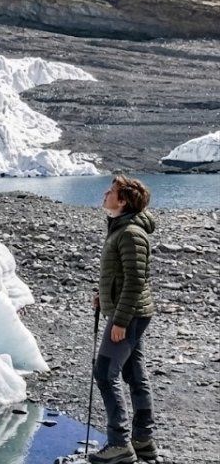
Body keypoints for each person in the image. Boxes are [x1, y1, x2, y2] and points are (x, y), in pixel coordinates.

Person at [89, 175, 157, 464]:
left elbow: (135, 281)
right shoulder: (121, 228)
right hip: (127, 312)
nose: (105, 194)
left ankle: (119, 444)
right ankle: (143, 440)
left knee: (105, 373)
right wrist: (104, 297)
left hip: (129, 315)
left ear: (124, 200)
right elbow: (122, 275)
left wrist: (120, 321)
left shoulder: (130, 233)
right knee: (134, 374)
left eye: (111, 191)